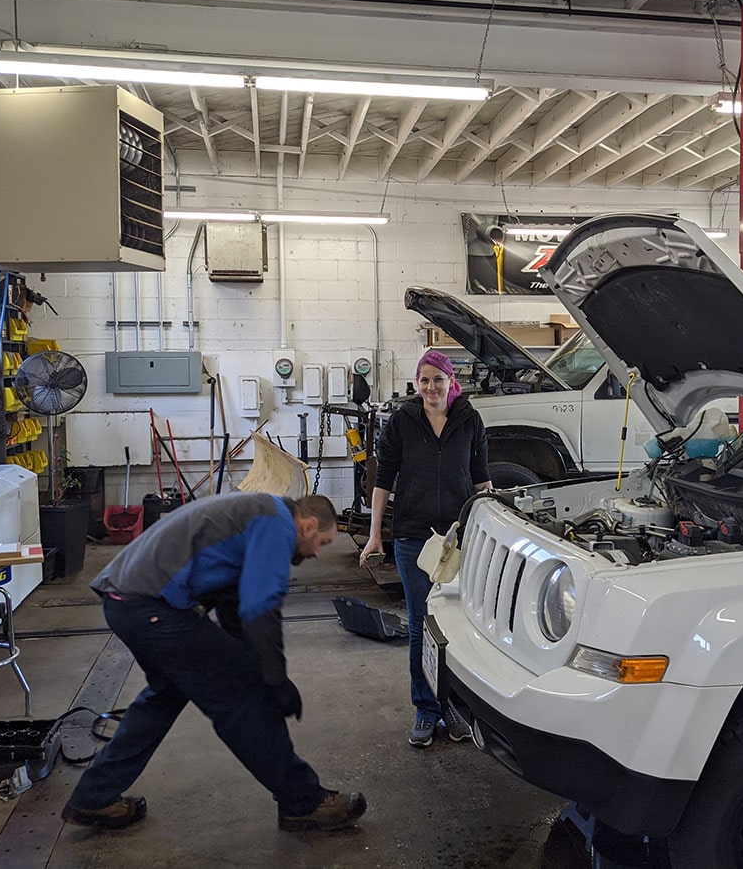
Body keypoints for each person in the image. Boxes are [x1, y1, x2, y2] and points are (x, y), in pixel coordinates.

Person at [61, 492, 367, 832]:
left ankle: (94, 797)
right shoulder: (277, 524)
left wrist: (264, 668)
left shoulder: (258, 511)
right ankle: (303, 801)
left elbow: (234, 606)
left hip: (126, 603)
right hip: (149, 607)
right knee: (244, 695)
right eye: (321, 542)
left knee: (165, 696)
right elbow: (260, 609)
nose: (317, 553)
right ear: (307, 525)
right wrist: (274, 679)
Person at [360, 350, 491, 748]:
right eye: (424, 380)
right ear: (416, 385)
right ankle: (425, 709)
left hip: (457, 538)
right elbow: (382, 479)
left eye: (438, 379)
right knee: (421, 624)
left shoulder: (469, 419)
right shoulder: (403, 420)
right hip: (414, 537)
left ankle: (452, 708)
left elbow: (482, 481)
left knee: (459, 626)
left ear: (452, 382)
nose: (431, 387)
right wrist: (374, 534)